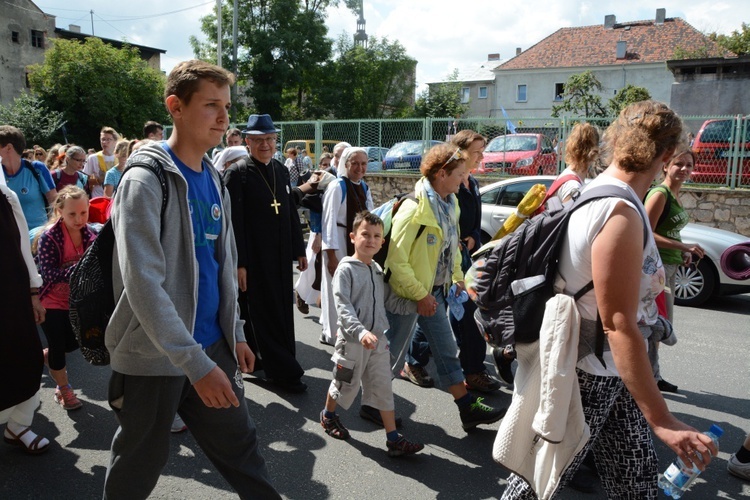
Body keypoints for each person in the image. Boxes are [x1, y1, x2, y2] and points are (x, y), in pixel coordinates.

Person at [500, 101, 718, 499]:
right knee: (537, 481)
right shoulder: (618, 212)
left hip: (608, 369)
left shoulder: (599, 194)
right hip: (589, 371)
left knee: (635, 480)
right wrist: (663, 418)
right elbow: (617, 321)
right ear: (666, 155)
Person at [103, 60, 280, 499]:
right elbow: (142, 285)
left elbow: (223, 261)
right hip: (154, 354)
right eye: (211, 105)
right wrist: (195, 364)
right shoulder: (144, 181)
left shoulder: (215, 177)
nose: (224, 118)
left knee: (241, 447)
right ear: (175, 107)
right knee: (139, 462)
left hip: (211, 346)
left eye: (226, 106)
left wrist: (234, 331)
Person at [383, 143, 506, 431]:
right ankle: (361, 401)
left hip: (433, 292)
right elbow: (397, 261)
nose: (464, 180)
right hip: (407, 295)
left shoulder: (450, 203)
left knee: (447, 350)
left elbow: (450, 247)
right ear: (441, 174)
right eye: (459, 174)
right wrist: (420, 295)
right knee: (390, 355)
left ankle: (466, 408)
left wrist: (457, 276)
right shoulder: (414, 208)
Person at [401, 130, 502, 393]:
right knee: (448, 313)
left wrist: (472, 238)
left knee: (456, 312)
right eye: (477, 151)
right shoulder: (446, 190)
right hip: (440, 261)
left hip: (463, 258)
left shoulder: (472, 184)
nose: (482, 156)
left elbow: (472, 223)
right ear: (460, 152)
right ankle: (420, 363)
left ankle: (467, 370)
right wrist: (454, 242)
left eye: (483, 150)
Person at [320, 211, 423, 457]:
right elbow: (343, 307)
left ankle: (393, 439)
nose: (371, 240)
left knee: (383, 387)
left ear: (382, 242)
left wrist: (416, 305)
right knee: (343, 383)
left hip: (377, 340)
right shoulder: (346, 270)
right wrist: (360, 331)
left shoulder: (377, 270)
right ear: (353, 237)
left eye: (377, 236)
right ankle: (328, 415)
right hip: (353, 342)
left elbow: (389, 302)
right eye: (365, 234)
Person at [223, 114, 308, 394]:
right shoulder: (238, 173)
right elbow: (234, 223)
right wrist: (241, 263)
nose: (266, 145)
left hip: (281, 256)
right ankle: (283, 372)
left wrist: (299, 249)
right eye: (259, 140)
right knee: (262, 312)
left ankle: (266, 361)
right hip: (256, 259)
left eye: (270, 139)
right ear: (247, 141)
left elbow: (290, 215)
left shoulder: (281, 171)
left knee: (281, 311)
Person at [644, 148, 705, 393]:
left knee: (660, 325)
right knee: (657, 325)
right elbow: (646, 231)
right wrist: (682, 245)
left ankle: (652, 376)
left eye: (688, 165)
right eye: (678, 164)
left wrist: (683, 252)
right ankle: (648, 379)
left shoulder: (676, 195)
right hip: (655, 268)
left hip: (670, 266)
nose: (684, 169)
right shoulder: (660, 194)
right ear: (666, 166)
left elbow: (670, 231)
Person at [34, 186, 96, 411]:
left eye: (83, 213)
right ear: (59, 211)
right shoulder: (49, 237)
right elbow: (49, 273)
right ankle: (64, 390)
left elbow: (96, 268)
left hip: (77, 300)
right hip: (51, 299)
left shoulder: (91, 235)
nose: (79, 219)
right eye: (72, 214)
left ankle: (49, 355)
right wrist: (79, 270)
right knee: (58, 345)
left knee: (76, 342)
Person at [0, 183, 50, 455]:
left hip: (11, 297)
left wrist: (34, 291)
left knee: (26, 358)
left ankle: (18, 426)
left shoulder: (5, 196)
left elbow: (22, 246)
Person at [320, 147, 374, 346]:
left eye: (363, 163)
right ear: (346, 164)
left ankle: (352, 331)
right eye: (355, 163)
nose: (360, 168)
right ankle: (333, 333)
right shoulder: (337, 186)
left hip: (355, 244)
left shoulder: (364, 187)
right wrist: (331, 255)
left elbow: (371, 215)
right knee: (337, 290)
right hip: (339, 244)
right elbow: (329, 222)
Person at [0, 125, 58, 236]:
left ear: (8, 148)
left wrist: (51, 233)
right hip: (11, 241)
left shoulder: (36, 168)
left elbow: (54, 203)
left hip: (38, 239)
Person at [83, 126, 119, 198]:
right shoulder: (93, 158)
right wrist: (98, 181)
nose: (105, 142)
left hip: (116, 197)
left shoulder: (120, 157)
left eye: (108, 139)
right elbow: (84, 180)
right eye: (103, 139)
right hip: (99, 196)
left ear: (115, 141)